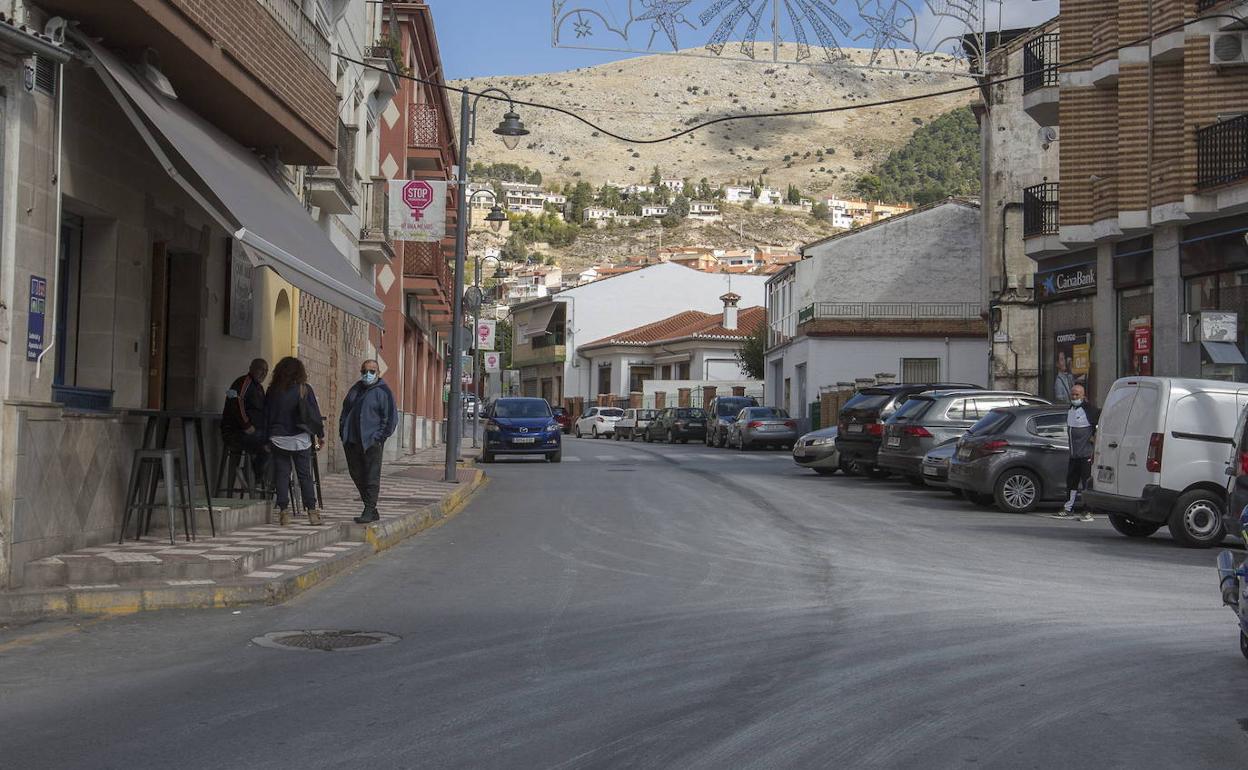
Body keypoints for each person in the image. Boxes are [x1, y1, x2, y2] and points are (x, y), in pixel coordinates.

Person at [263, 357, 325, 526]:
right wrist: (320, 434)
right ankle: (312, 512)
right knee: (305, 475)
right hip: (300, 438)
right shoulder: (304, 389)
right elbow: (314, 415)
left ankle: (284, 512)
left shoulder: (272, 391)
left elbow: (266, 417)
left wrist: (266, 439)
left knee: (282, 475)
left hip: (278, 438)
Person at [339, 359, 398, 524]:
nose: (368, 374)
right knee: (356, 474)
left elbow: (390, 418)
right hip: (352, 440)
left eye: (372, 371)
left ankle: (369, 509)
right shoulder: (356, 389)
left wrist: (378, 438)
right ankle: (371, 508)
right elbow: (346, 409)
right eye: (365, 371)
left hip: (371, 442)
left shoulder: (383, 391)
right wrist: (342, 429)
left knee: (371, 476)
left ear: (378, 373)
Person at [1053, 383, 1099, 522]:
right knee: (1071, 482)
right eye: (1072, 394)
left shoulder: (1089, 410)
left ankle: (1087, 511)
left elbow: (1099, 426)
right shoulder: (1070, 409)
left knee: (1086, 483)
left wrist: (1094, 440)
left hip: (1086, 455)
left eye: (1077, 395)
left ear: (1083, 396)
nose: (1074, 397)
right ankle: (1068, 508)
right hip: (1074, 455)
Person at [220, 358, 269, 482]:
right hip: (236, 433)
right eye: (260, 369)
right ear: (251, 368)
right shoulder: (243, 382)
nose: (263, 373)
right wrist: (247, 425)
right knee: (267, 443)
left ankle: (255, 477)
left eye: (266, 371)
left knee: (274, 442)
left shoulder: (259, 388)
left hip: (253, 433)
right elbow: (236, 402)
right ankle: (252, 476)